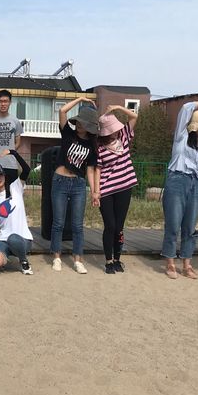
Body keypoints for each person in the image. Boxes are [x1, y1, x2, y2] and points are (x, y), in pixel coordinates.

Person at [161, 100, 198, 279]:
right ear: (193, 125)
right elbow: (186, 108)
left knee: (190, 226)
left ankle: (187, 264)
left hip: (195, 184)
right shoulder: (181, 137)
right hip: (177, 181)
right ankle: (170, 262)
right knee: (173, 223)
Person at [50, 97, 99, 274]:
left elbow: (91, 170)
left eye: (83, 123)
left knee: (77, 225)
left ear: (90, 126)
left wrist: (95, 192)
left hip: (78, 184)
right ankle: (56, 257)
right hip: (60, 181)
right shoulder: (68, 134)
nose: (79, 125)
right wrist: (80, 98)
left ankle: (78, 259)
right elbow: (62, 111)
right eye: (78, 121)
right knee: (58, 223)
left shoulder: (92, 145)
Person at [95, 105, 139, 275]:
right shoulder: (99, 147)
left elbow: (134, 117)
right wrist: (96, 192)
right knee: (110, 225)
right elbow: (97, 170)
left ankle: (117, 259)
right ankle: (108, 261)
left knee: (119, 227)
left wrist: (119, 108)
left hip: (125, 187)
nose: (115, 132)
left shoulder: (124, 136)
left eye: (115, 128)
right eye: (111, 130)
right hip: (106, 190)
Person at [0, 150, 34, 275]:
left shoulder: (15, 187)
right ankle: (4, 259)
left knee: (13, 239)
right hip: (3, 239)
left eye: (0, 175)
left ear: (4, 176)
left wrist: (14, 153)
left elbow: (26, 170)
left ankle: (23, 261)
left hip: (22, 239)